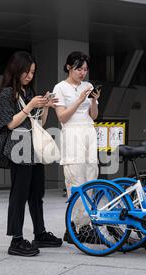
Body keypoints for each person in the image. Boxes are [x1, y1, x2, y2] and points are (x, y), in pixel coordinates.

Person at [0, 51, 62, 257]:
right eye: (27, 72)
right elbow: (10, 124)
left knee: (37, 193)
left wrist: (46, 107)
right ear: (16, 69)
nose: (30, 76)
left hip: (33, 148)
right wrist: (30, 105)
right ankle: (16, 240)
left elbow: (39, 123)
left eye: (32, 72)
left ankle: (39, 233)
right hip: (18, 148)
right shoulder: (6, 94)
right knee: (19, 194)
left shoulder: (28, 91)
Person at [52, 51, 101, 242]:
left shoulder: (87, 86)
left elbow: (94, 115)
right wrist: (80, 100)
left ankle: (84, 225)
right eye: (79, 69)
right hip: (72, 133)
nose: (82, 73)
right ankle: (76, 227)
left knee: (91, 178)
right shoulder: (60, 88)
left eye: (85, 69)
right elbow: (62, 117)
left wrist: (94, 99)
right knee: (75, 180)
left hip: (89, 130)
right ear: (68, 67)